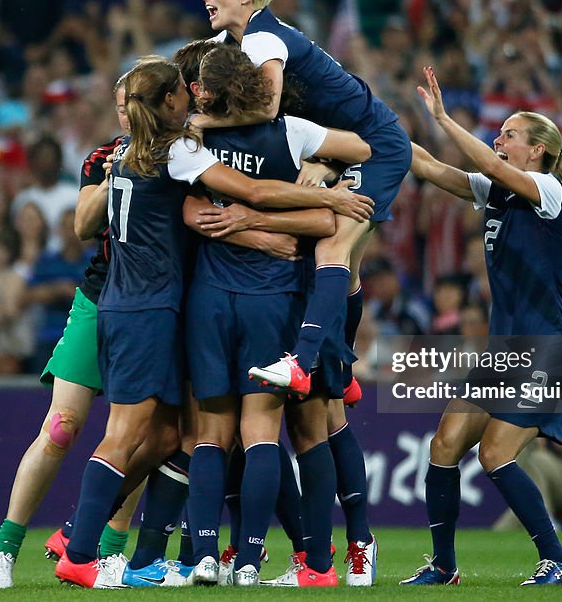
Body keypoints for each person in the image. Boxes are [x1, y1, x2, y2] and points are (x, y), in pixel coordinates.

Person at [53, 58, 373, 589]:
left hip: (131, 303)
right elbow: (256, 192)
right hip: (160, 308)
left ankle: (171, 554)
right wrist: (328, 194)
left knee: (185, 435)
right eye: (182, 89)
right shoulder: (182, 150)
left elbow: (187, 208)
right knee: (148, 434)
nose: (191, 94)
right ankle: (84, 551)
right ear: (169, 102)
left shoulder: (137, 150)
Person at [179, 44, 370, 587]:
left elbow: (190, 211)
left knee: (212, 435)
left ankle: (203, 557)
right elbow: (363, 148)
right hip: (276, 300)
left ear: (202, 90)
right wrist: (324, 175)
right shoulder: (293, 131)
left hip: (211, 297)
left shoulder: (194, 139)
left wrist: (239, 222)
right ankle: (249, 561)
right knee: (264, 430)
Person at [191, 0, 412, 401]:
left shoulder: (262, 38)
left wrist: (200, 124)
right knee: (343, 272)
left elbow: (268, 108)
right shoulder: (235, 44)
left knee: (332, 244)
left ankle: (302, 362)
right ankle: (341, 366)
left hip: (374, 148)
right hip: (343, 144)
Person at [402, 67, 562, 586]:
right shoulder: (497, 190)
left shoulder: (546, 190)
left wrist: (443, 118)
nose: (499, 140)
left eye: (509, 134)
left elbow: (481, 162)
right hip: (506, 351)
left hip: (547, 350)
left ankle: (559, 560)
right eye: (498, 133)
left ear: (537, 151)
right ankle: (443, 566)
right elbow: (433, 169)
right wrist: (374, 132)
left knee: (496, 452)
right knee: (444, 444)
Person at [0, 78, 148, 588]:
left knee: (137, 436)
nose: (126, 115)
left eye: (135, 104)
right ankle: (4, 551)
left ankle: (112, 553)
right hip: (99, 298)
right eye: (121, 106)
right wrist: (115, 173)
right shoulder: (102, 157)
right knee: (60, 429)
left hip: (154, 309)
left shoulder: (184, 156)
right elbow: (81, 227)